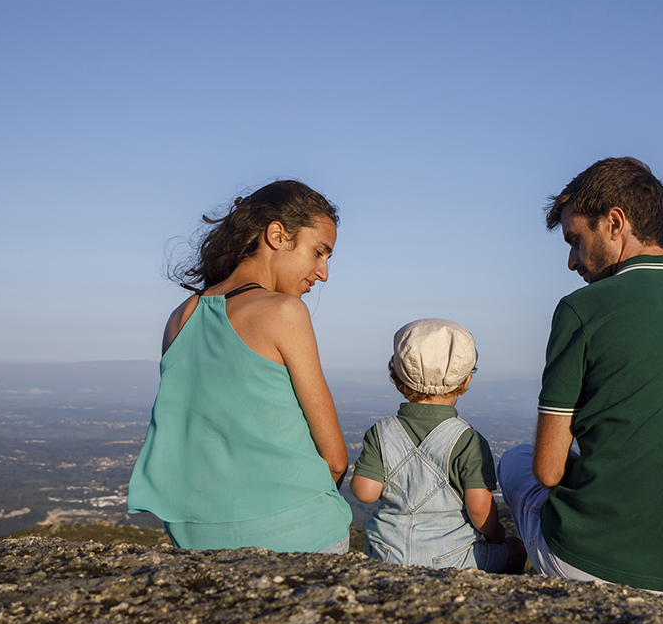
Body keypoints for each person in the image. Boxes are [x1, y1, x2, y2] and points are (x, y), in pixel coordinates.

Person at [498, 157, 663, 601]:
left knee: (514, 460)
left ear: (615, 223)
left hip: (584, 561)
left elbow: (547, 471)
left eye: (576, 240)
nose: (571, 261)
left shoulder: (584, 308)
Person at [127, 180, 352, 553]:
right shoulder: (284, 312)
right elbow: (335, 459)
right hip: (300, 534)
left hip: (195, 539)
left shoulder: (180, 318)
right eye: (318, 252)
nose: (323, 272)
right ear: (277, 235)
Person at [350, 319, 527, 573]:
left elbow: (365, 492)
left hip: (385, 554)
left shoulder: (380, 432)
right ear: (465, 382)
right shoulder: (469, 440)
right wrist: (497, 535)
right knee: (517, 550)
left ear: (397, 378)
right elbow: (479, 509)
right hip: (452, 559)